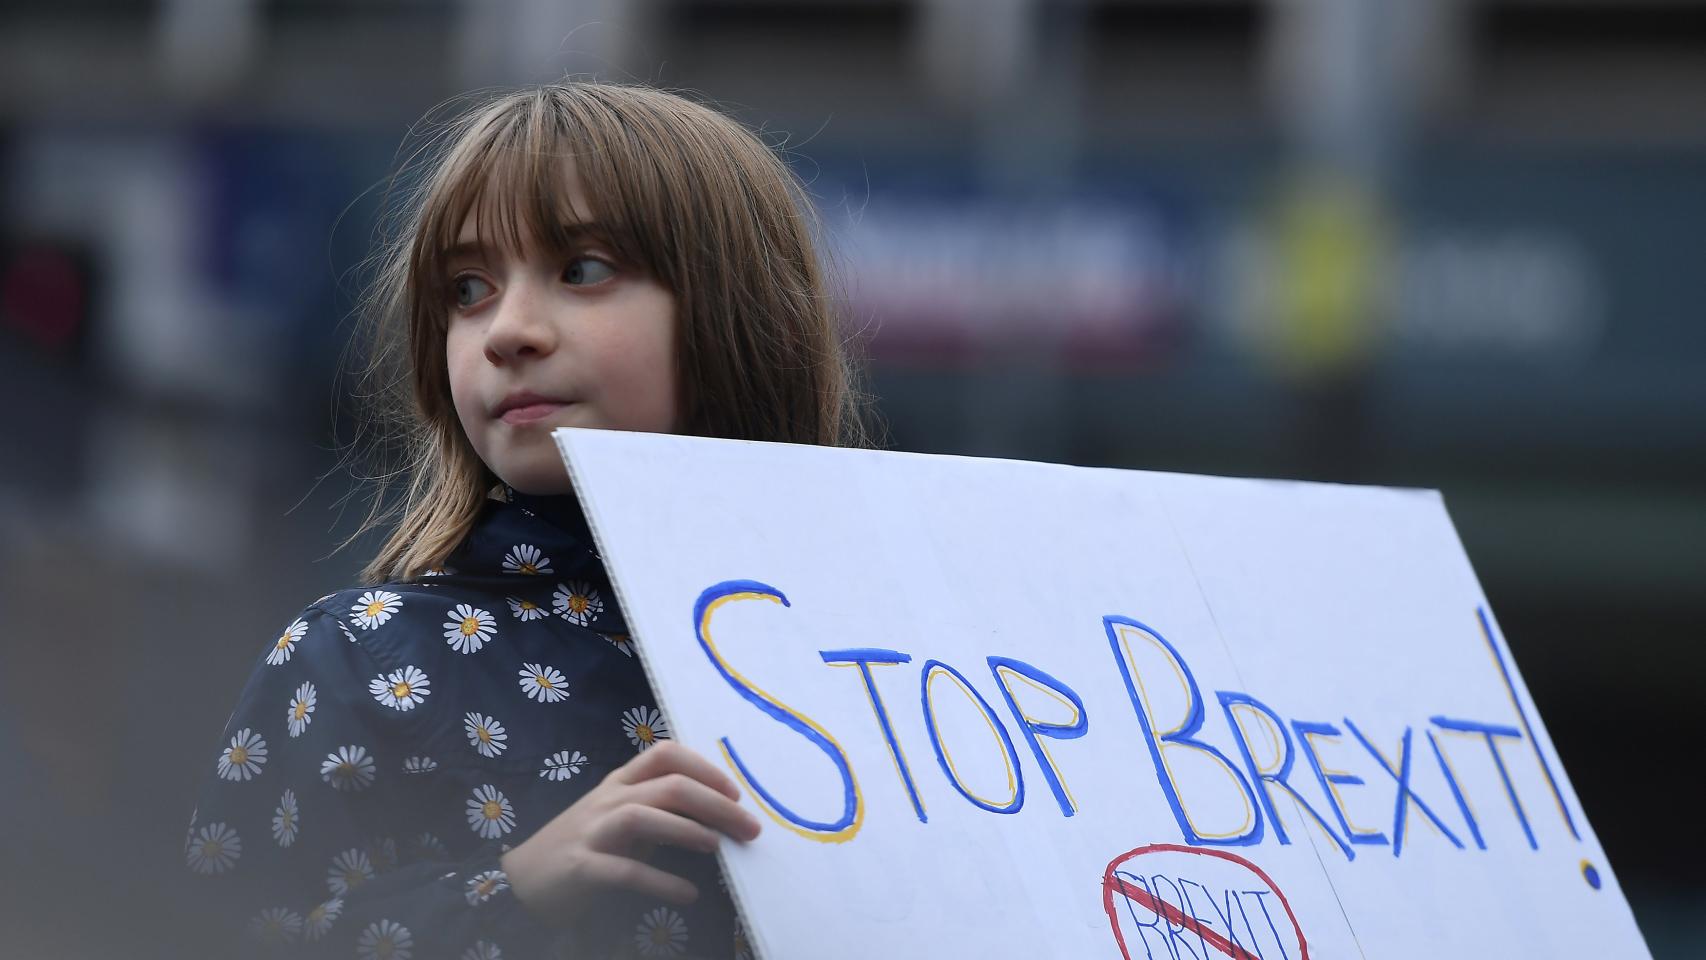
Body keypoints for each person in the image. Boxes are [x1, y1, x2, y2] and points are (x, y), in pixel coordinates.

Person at [183, 81, 870, 959]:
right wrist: (511, 893)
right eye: (467, 288)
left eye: (583, 269)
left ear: (744, 316)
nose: (507, 330)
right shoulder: (359, 658)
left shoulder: (890, 668)